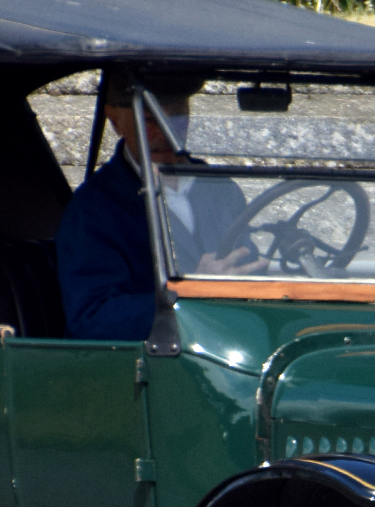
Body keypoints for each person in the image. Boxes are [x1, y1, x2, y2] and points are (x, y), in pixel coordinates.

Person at [55, 75, 260, 341]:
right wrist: (187, 291)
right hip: (153, 364)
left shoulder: (220, 188)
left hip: (232, 346)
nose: (166, 134)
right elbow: (92, 318)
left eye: (177, 118)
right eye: (149, 120)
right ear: (115, 120)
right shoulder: (93, 209)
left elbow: (249, 267)